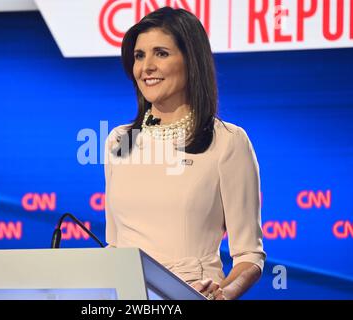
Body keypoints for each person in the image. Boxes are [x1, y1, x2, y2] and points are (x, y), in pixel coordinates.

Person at [104, 7, 266, 300]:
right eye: (139, 56)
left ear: (191, 61)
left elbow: (249, 255)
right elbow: (114, 245)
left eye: (161, 53)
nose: (146, 66)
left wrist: (224, 294)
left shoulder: (228, 141)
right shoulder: (119, 140)